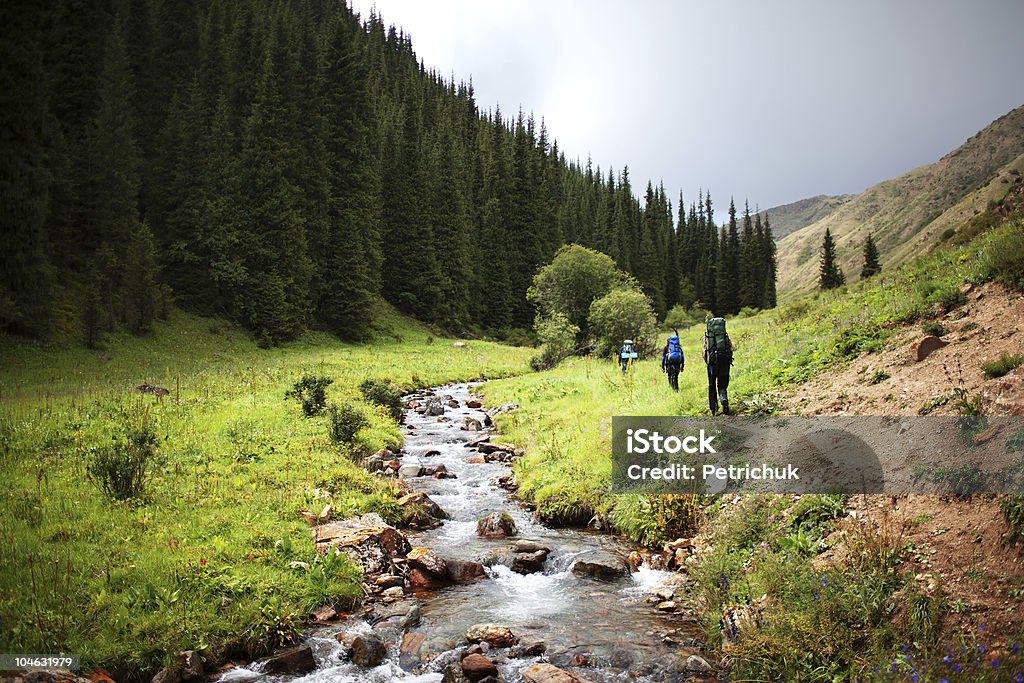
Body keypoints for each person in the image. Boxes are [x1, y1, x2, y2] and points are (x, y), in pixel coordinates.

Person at [703, 317, 733, 415]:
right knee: (722, 384)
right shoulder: (724, 335)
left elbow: (704, 352)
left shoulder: (707, 337)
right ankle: (723, 399)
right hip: (724, 361)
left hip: (712, 364)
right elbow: (731, 347)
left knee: (712, 385)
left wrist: (708, 361)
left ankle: (713, 409)